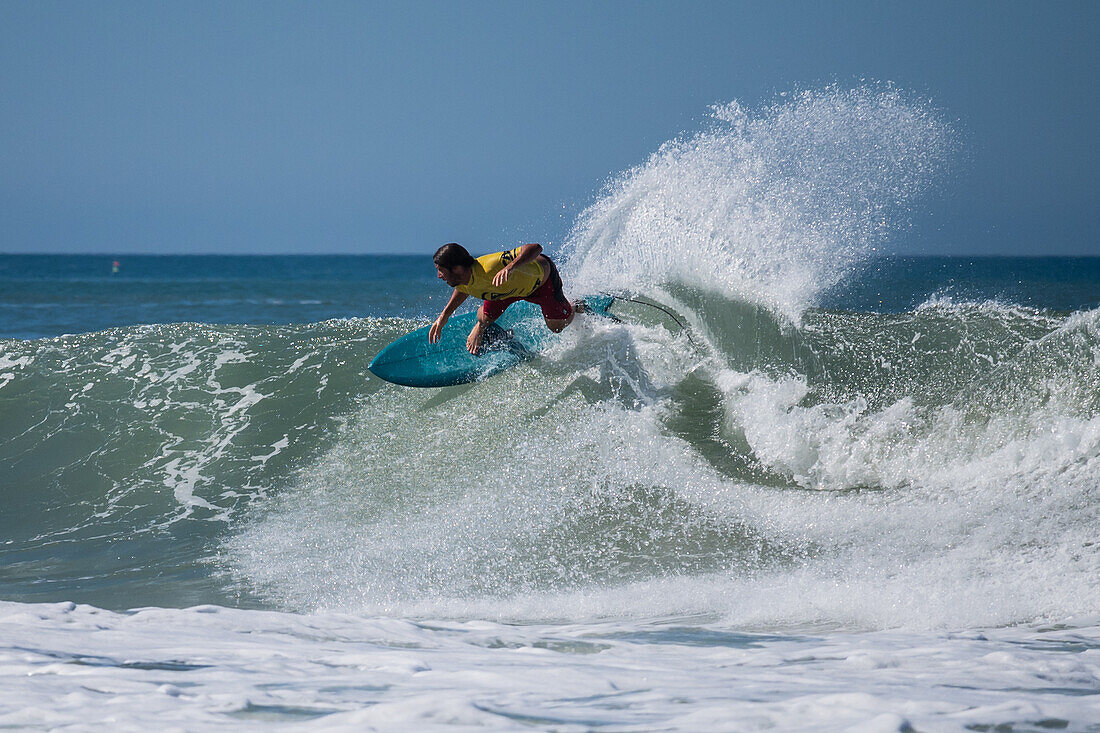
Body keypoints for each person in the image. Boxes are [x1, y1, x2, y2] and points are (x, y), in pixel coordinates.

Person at [429, 242, 580, 354]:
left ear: (457, 269)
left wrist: (510, 266)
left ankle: (576, 306)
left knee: (557, 327)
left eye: (441, 271)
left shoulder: (491, 265)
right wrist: (444, 316)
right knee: (484, 318)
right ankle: (481, 327)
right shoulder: (461, 280)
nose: (439, 276)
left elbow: (536, 248)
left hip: (541, 284)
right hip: (503, 292)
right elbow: (462, 290)